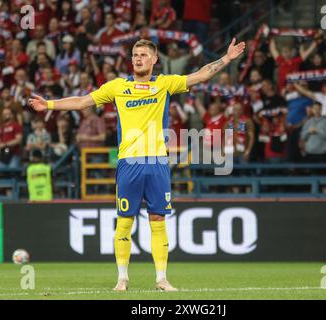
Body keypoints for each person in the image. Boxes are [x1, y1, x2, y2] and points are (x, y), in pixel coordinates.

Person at [29, 38, 245, 292]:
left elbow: (200, 75)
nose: (138, 58)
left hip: (157, 164)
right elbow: (82, 101)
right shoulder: (118, 86)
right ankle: (122, 278)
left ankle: (162, 279)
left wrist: (227, 58)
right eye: (134, 54)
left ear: (154, 59)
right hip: (129, 163)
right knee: (124, 221)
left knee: (158, 220)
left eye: (143, 54)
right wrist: (49, 105)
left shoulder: (164, 84)